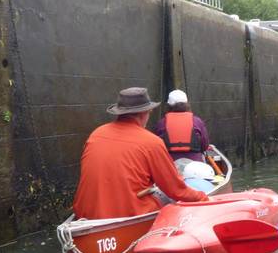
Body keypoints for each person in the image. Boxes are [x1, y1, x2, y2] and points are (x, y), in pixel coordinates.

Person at [73, 88, 208, 220]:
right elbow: (176, 190)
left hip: (85, 215)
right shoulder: (151, 142)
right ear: (145, 113)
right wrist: (203, 197)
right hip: (131, 213)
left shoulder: (96, 134)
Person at [153, 89, 210, 163]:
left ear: (168, 106)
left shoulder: (161, 123)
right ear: (187, 104)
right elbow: (204, 145)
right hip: (195, 163)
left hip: (169, 163)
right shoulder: (197, 121)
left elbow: (155, 147)